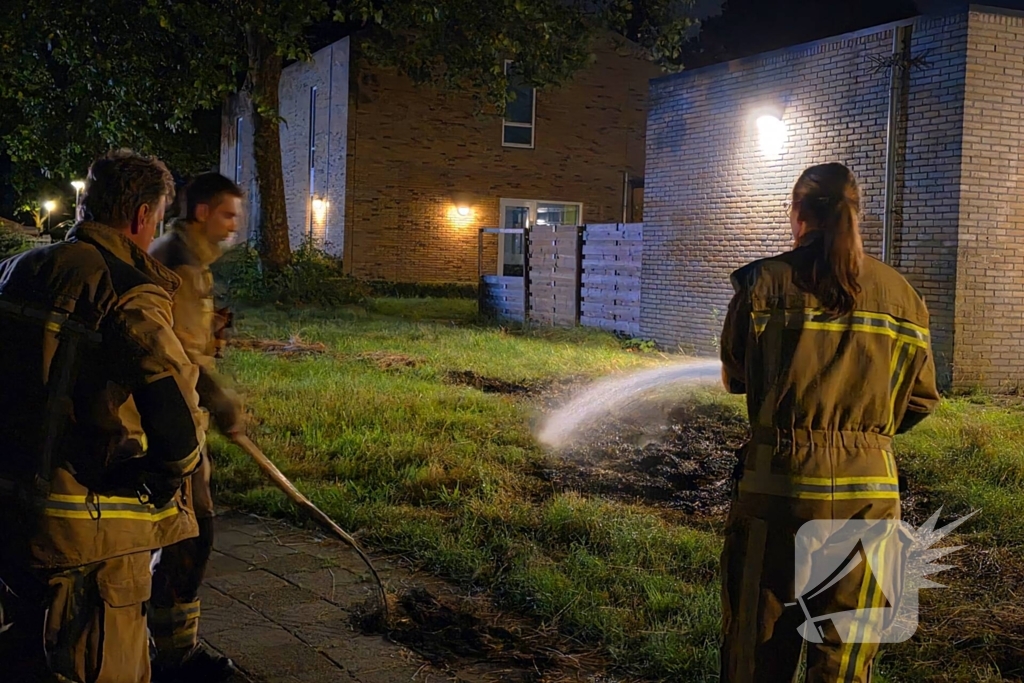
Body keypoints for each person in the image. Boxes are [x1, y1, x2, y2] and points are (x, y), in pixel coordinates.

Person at [718, 162, 940, 683]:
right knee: (844, 658)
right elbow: (923, 399)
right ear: (857, 215)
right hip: (869, 497)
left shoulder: (761, 283)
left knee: (754, 652)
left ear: (797, 214)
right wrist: (866, 434)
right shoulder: (904, 297)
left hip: (777, 492)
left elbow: (735, 378)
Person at [0, 149, 207, 682]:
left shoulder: (17, 270)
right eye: (157, 220)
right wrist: (162, 477)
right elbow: (178, 430)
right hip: (86, 538)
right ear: (141, 217)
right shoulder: (126, 292)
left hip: (12, 520)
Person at [147, 172, 244, 681]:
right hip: (174, 422)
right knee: (193, 532)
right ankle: (173, 655)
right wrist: (222, 401)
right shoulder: (180, 266)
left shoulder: (183, 258)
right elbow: (179, 359)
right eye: (228, 214)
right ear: (202, 213)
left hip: (174, 418)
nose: (234, 226)